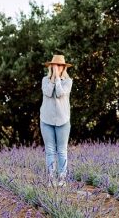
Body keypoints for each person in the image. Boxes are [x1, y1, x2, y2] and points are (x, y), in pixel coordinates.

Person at [40, 54, 73, 187]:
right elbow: (48, 92)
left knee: (62, 150)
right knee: (49, 150)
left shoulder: (68, 81)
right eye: (54, 65)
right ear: (51, 67)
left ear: (63, 67)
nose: (57, 67)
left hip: (63, 120)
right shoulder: (45, 80)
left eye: (59, 65)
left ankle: (62, 179)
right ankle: (51, 179)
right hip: (46, 119)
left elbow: (59, 93)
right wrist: (53, 79)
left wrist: (58, 78)